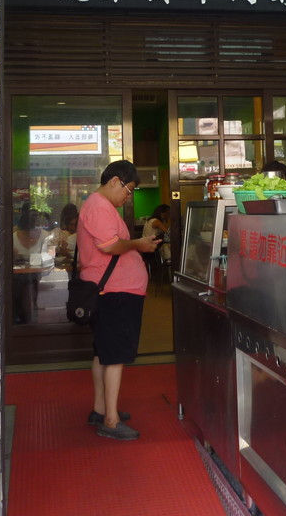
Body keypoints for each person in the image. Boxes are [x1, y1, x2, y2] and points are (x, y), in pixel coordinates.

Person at [77, 160, 160, 441]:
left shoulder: (100, 206)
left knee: (104, 353)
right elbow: (110, 246)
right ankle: (110, 421)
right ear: (115, 181)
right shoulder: (99, 206)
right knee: (115, 356)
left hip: (112, 291)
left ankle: (101, 410)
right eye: (129, 189)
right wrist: (140, 244)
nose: (128, 196)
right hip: (115, 292)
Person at [54, 202, 80, 271]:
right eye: (72, 224)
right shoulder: (59, 234)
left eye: (76, 224)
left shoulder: (79, 236)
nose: (74, 227)